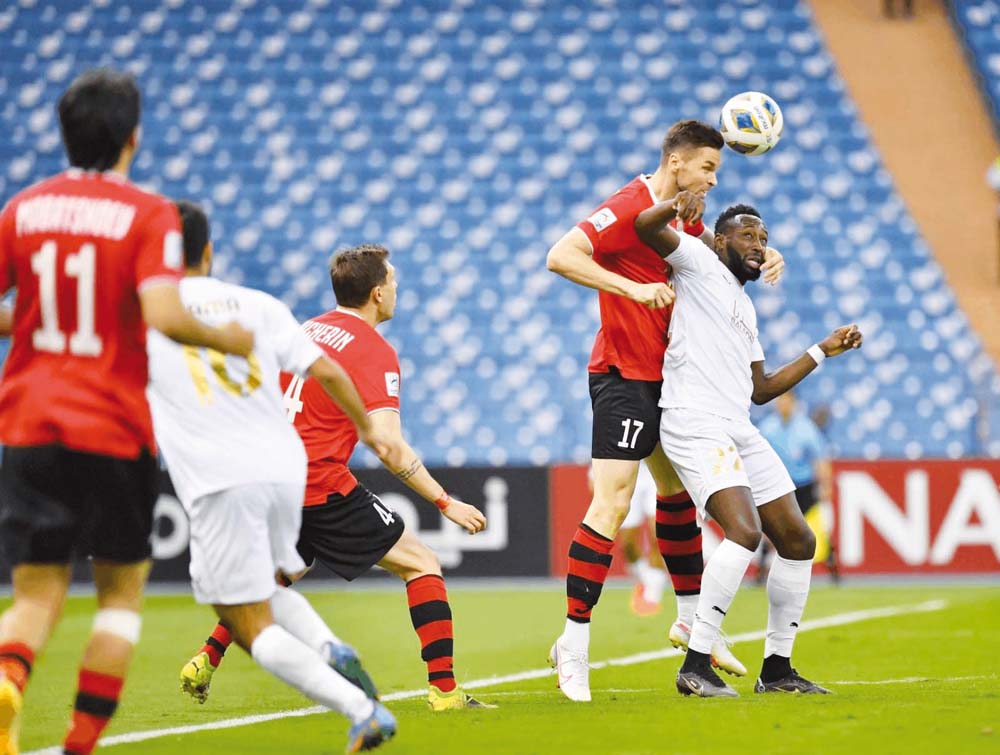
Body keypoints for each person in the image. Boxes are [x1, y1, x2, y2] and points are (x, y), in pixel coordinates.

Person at [0, 68, 254, 755]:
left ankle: (8, 677)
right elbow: (166, 313)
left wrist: (31, 320)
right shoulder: (147, 215)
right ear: (133, 138)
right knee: (118, 595)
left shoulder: (21, 209)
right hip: (111, 426)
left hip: (26, 423)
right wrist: (228, 335)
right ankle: (79, 744)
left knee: (35, 592)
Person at [181, 244, 494, 711]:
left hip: (270, 478)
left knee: (282, 572)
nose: (395, 289)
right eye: (391, 282)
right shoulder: (374, 350)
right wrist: (444, 501)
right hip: (318, 484)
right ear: (375, 293)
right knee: (421, 562)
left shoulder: (307, 329)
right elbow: (386, 444)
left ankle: (206, 658)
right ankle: (445, 691)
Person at [544, 120, 786, 701]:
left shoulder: (687, 215)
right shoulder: (629, 203)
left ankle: (689, 618)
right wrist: (628, 290)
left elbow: (702, 261)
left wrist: (763, 255)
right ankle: (573, 646)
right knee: (615, 501)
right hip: (623, 376)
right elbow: (560, 256)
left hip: (670, 382)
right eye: (708, 168)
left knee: (675, 497)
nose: (712, 178)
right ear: (676, 162)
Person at [147, 202, 396, 751]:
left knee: (242, 616)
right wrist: (369, 429)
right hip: (285, 470)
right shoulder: (261, 305)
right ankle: (329, 646)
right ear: (207, 251)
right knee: (266, 587)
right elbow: (327, 370)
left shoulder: (146, 311)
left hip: (220, 479)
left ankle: (357, 704)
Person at [635, 197, 863, 697]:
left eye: (763, 239)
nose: (759, 247)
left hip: (737, 424)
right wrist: (679, 205)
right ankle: (695, 663)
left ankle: (777, 670)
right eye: (749, 237)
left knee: (799, 541)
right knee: (743, 531)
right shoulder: (696, 262)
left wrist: (821, 351)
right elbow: (645, 224)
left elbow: (760, 389)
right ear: (720, 241)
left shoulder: (744, 305)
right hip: (694, 421)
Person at [758, 390, 839, 583]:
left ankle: (833, 569)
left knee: (816, 529)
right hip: (779, 485)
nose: (782, 404)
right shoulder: (768, 428)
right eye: (780, 400)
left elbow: (819, 458)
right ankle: (760, 573)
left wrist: (825, 484)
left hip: (803, 486)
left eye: (786, 400)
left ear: (793, 403)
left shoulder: (806, 428)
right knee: (771, 529)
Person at [618, 461, 669, 617]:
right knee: (627, 543)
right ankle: (645, 581)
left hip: (657, 472)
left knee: (659, 537)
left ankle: (652, 597)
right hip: (628, 476)